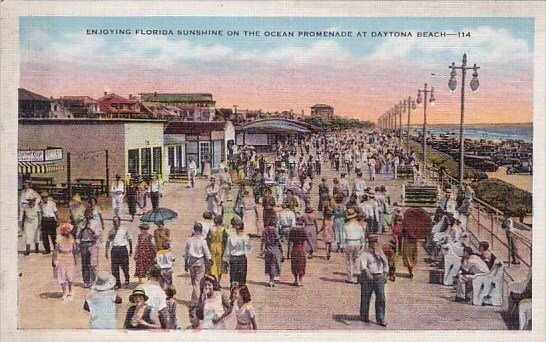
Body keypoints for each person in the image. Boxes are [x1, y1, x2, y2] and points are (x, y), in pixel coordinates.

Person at [357, 235, 389, 326]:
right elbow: (363, 266)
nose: (374, 244)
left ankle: (381, 318)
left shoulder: (381, 253)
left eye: (375, 242)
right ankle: (364, 317)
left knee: (381, 298)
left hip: (379, 277)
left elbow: (386, 264)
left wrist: (385, 274)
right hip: (368, 277)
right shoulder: (365, 253)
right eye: (372, 243)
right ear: (369, 244)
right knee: (366, 297)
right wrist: (367, 274)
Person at [185, 223, 212, 305]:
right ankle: (197, 301)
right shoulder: (203, 241)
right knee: (198, 282)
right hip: (200, 262)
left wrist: (186, 263)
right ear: (201, 230)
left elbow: (186, 253)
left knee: (194, 282)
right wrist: (210, 261)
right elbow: (207, 252)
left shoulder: (189, 240)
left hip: (191, 262)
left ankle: (194, 300)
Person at [52, 222, 78, 301]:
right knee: (62, 274)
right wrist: (54, 260)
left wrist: (75, 259)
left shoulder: (71, 238)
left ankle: (71, 291)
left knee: (70, 274)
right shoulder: (59, 238)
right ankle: (64, 292)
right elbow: (55, 251)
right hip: (61, 257)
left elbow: (75, 250)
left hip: (70, 257)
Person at [105, 216, 132, 289]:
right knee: (115, 268)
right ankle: (117, 283)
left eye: (116, 221)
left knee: (125, 266)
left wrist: (131, 250)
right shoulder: (111, 231)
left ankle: (127, 279)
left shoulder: (124, 229)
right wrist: (106, 252)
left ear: (119, 221)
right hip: (114, 249)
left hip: (122, 249)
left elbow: (129, 239)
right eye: (113, 221)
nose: (114, 223)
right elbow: (108, 241)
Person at [223, 220, 252, 286]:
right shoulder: (246, 237)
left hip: (233, 258)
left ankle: (233, 291)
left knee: (233, 277)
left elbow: (227, 249)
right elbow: (249, 249)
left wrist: (225, 259)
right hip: (242, 258)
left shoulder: (231, 236)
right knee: (242, 277)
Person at [78, 208, 100, 288]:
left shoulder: (96, 223)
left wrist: (91, 230)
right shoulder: (82, 223)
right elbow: (78, 235)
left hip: (92, 243)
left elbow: (97, 235)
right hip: (84, 244)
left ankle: (94, 281)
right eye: (86, 214)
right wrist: (82, 229)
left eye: (89, 214)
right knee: (85, 264)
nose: (88, 216)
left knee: (93, 264)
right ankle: (86, 281)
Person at [343, 208, 367, 283]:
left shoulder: (345, 226)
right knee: (357, 259)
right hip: (357, 242)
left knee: (349, 260)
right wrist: (363, 245)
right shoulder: (359, 225)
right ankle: (358, 275)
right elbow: (362, 236)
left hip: (349, 243)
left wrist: (343, 245)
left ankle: (350, 278)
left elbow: (343, 237)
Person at [288, 218, 313, 287]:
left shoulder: (292, 230)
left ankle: (296, 280)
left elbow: (289, 243)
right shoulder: (303, 230)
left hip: (294, 248)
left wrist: (288, 253)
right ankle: (300, 280)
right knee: (302, 265)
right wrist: (311, 248)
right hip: (302, 248)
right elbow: (308, 240)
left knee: (295, 264)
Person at [208, 216, 228, 284]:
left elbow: (208, 238)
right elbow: (225, 239)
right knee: (219, 264)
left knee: (212, 263)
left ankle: (214, 279)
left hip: (212, 246)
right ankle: (219, 281)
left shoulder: (211, 228)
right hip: (220, 247)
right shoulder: (223, 229)